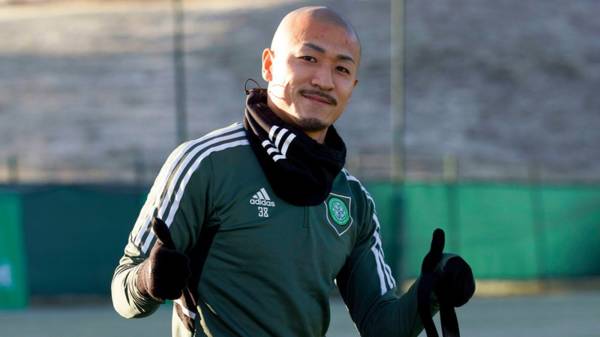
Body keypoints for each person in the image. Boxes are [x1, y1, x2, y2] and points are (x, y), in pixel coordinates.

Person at [111, 6, 474, 337]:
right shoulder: (204, 163)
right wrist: (148, 280)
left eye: (342, 69)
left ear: (353, 86)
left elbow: (382, 325)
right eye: (308, 58)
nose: (324, 80)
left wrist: (433, 288)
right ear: (269, 65)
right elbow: (123, 291)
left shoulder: (353, 200)